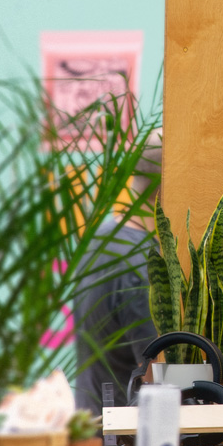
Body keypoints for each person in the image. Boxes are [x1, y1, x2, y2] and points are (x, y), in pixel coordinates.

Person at [73, 129, 162, 413]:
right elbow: (153, 374)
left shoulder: (101, 239)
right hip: (125, 441)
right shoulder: (144, 263)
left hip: (91, 425)